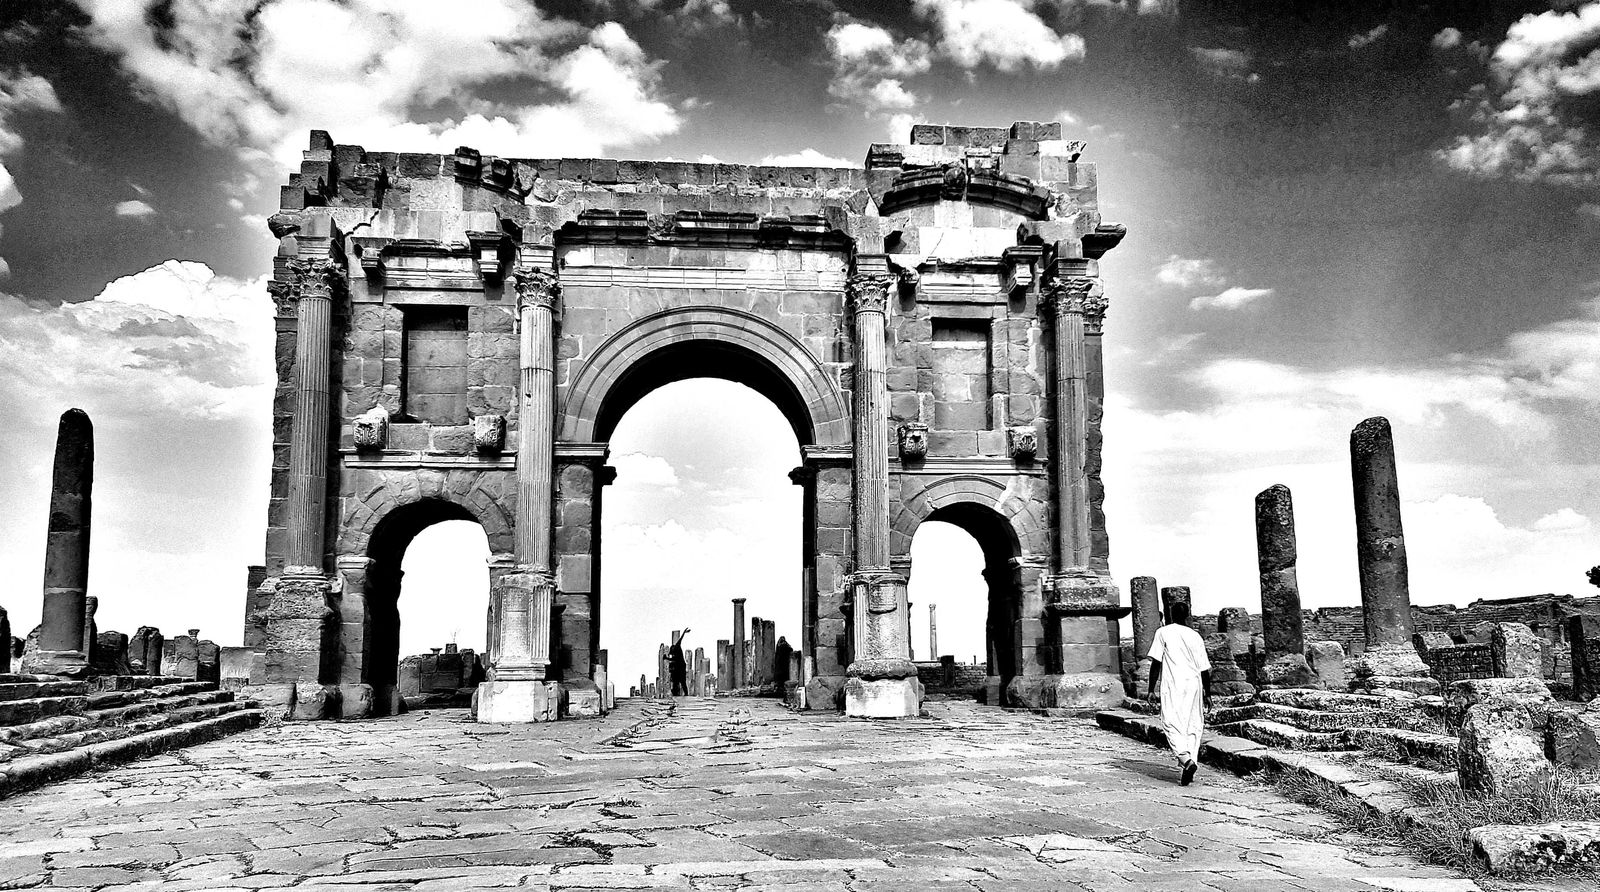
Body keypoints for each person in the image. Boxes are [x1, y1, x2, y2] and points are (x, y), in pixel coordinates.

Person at [1145, 601, 1212, 785]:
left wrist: (1151, 689)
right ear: (1187, 615)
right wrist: (1208, 693)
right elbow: (1204, 668)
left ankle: (1185, 760)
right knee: (1193, 725)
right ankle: (1190, 765)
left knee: (1171, 723)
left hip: (1173, 683)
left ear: (1170, 615)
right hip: (1194, 684)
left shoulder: (1163, 632)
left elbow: (1156, 662)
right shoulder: (1195, 636)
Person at [668, 630, 689, 697]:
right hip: (678, 668)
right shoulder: (674, 654)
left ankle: (685, 694)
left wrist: (684, 632)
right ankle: (677, 693)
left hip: (681, 668)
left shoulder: (677, 647)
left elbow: (680, 639)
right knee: (677, 682)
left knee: (682, 682)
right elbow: (673, 659)